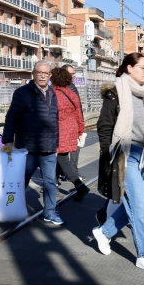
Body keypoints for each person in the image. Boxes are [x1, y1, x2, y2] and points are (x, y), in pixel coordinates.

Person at [92, 53, 144, 272]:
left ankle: (104, 232)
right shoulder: (115, 92)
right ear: (129, 68)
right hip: (126, 156)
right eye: (143, 68)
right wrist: (109, 155)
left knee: (136, 206)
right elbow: (104, 126)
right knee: (140, 209)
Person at [2, 61, 61, 224]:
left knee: (50, 182)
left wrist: (57, 143)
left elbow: (55, 119)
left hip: (48, 147)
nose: (42, 75)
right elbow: (12, 116)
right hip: (29, 147)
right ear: (33, 73)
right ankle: (12, 209)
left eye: (45, 73)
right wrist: (7, 140)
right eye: (39, 72)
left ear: (50, 76)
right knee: (22, 180)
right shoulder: (23, 93)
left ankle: (49, 212)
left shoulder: (53, 93)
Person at [52, 66, 90, 200]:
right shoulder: (72, 93)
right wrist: (81, 130)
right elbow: (79, 114)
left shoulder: (52, 94)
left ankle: (76, 185)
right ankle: (79, 186)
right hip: (71, 130)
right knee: (61, 158)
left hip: (58, 131)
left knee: (56, 158)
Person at [62, 64, 84, 173]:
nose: (74, 75)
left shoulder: (72, 86)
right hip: (69, 125)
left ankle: (67, 172)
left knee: (66, 151)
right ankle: (73, 173)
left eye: (74, 73)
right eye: (71, 74)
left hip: (71, 124)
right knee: (73, 149)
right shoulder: (67, 88)